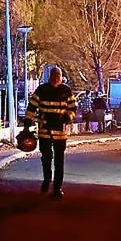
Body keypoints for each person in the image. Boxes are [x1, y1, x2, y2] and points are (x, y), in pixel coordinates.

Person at [24, 66, 77, 197]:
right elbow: (31, 107)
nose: (55, 78)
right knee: (46, 157)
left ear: (60, 76)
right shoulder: (42, 90)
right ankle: (47, 180)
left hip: (60, 132)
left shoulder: (66, 90)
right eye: (53, 76)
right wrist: (27, 125)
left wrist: (67, 118)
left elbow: (73, 108)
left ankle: (57, 188)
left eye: (57, 75)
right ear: (50, 76)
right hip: (45, 131)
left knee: (59, 160)